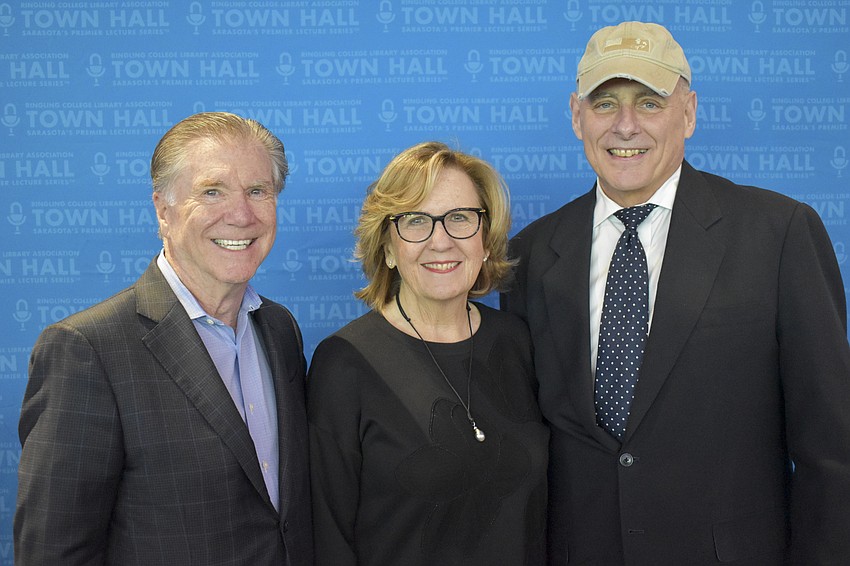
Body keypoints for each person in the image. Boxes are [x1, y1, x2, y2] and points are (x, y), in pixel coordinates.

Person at [503, 21, 850, 566]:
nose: (625, 126)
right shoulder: (531, 254)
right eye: (604, 104)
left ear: (688, 112)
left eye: (649, 102)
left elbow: (832, 450)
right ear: (576, 115)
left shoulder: (778, 233)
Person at [15, 112, 313, 565]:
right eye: (212, 192)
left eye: (258, 191)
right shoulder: (87, 350)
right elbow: (53, 553)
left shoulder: (279, 329)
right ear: (162, 210)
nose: (241, 214)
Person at [308, 141, 548, 565]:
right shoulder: (345, 362)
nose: (441, 242)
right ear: (387, 248)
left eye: (459, 218)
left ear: (486, 240)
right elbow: (328, 535)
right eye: (416, 221)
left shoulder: (519, 343)